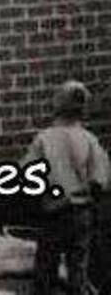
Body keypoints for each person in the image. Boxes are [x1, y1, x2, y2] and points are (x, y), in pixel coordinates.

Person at [22, 80, 109, 295]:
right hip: (82, 214)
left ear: (56, 106)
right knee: (78, 270)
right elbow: (100, 180)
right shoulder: (90, 140)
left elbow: (27, 174)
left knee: (46, 268)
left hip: (54, 213)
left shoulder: (44, 140)